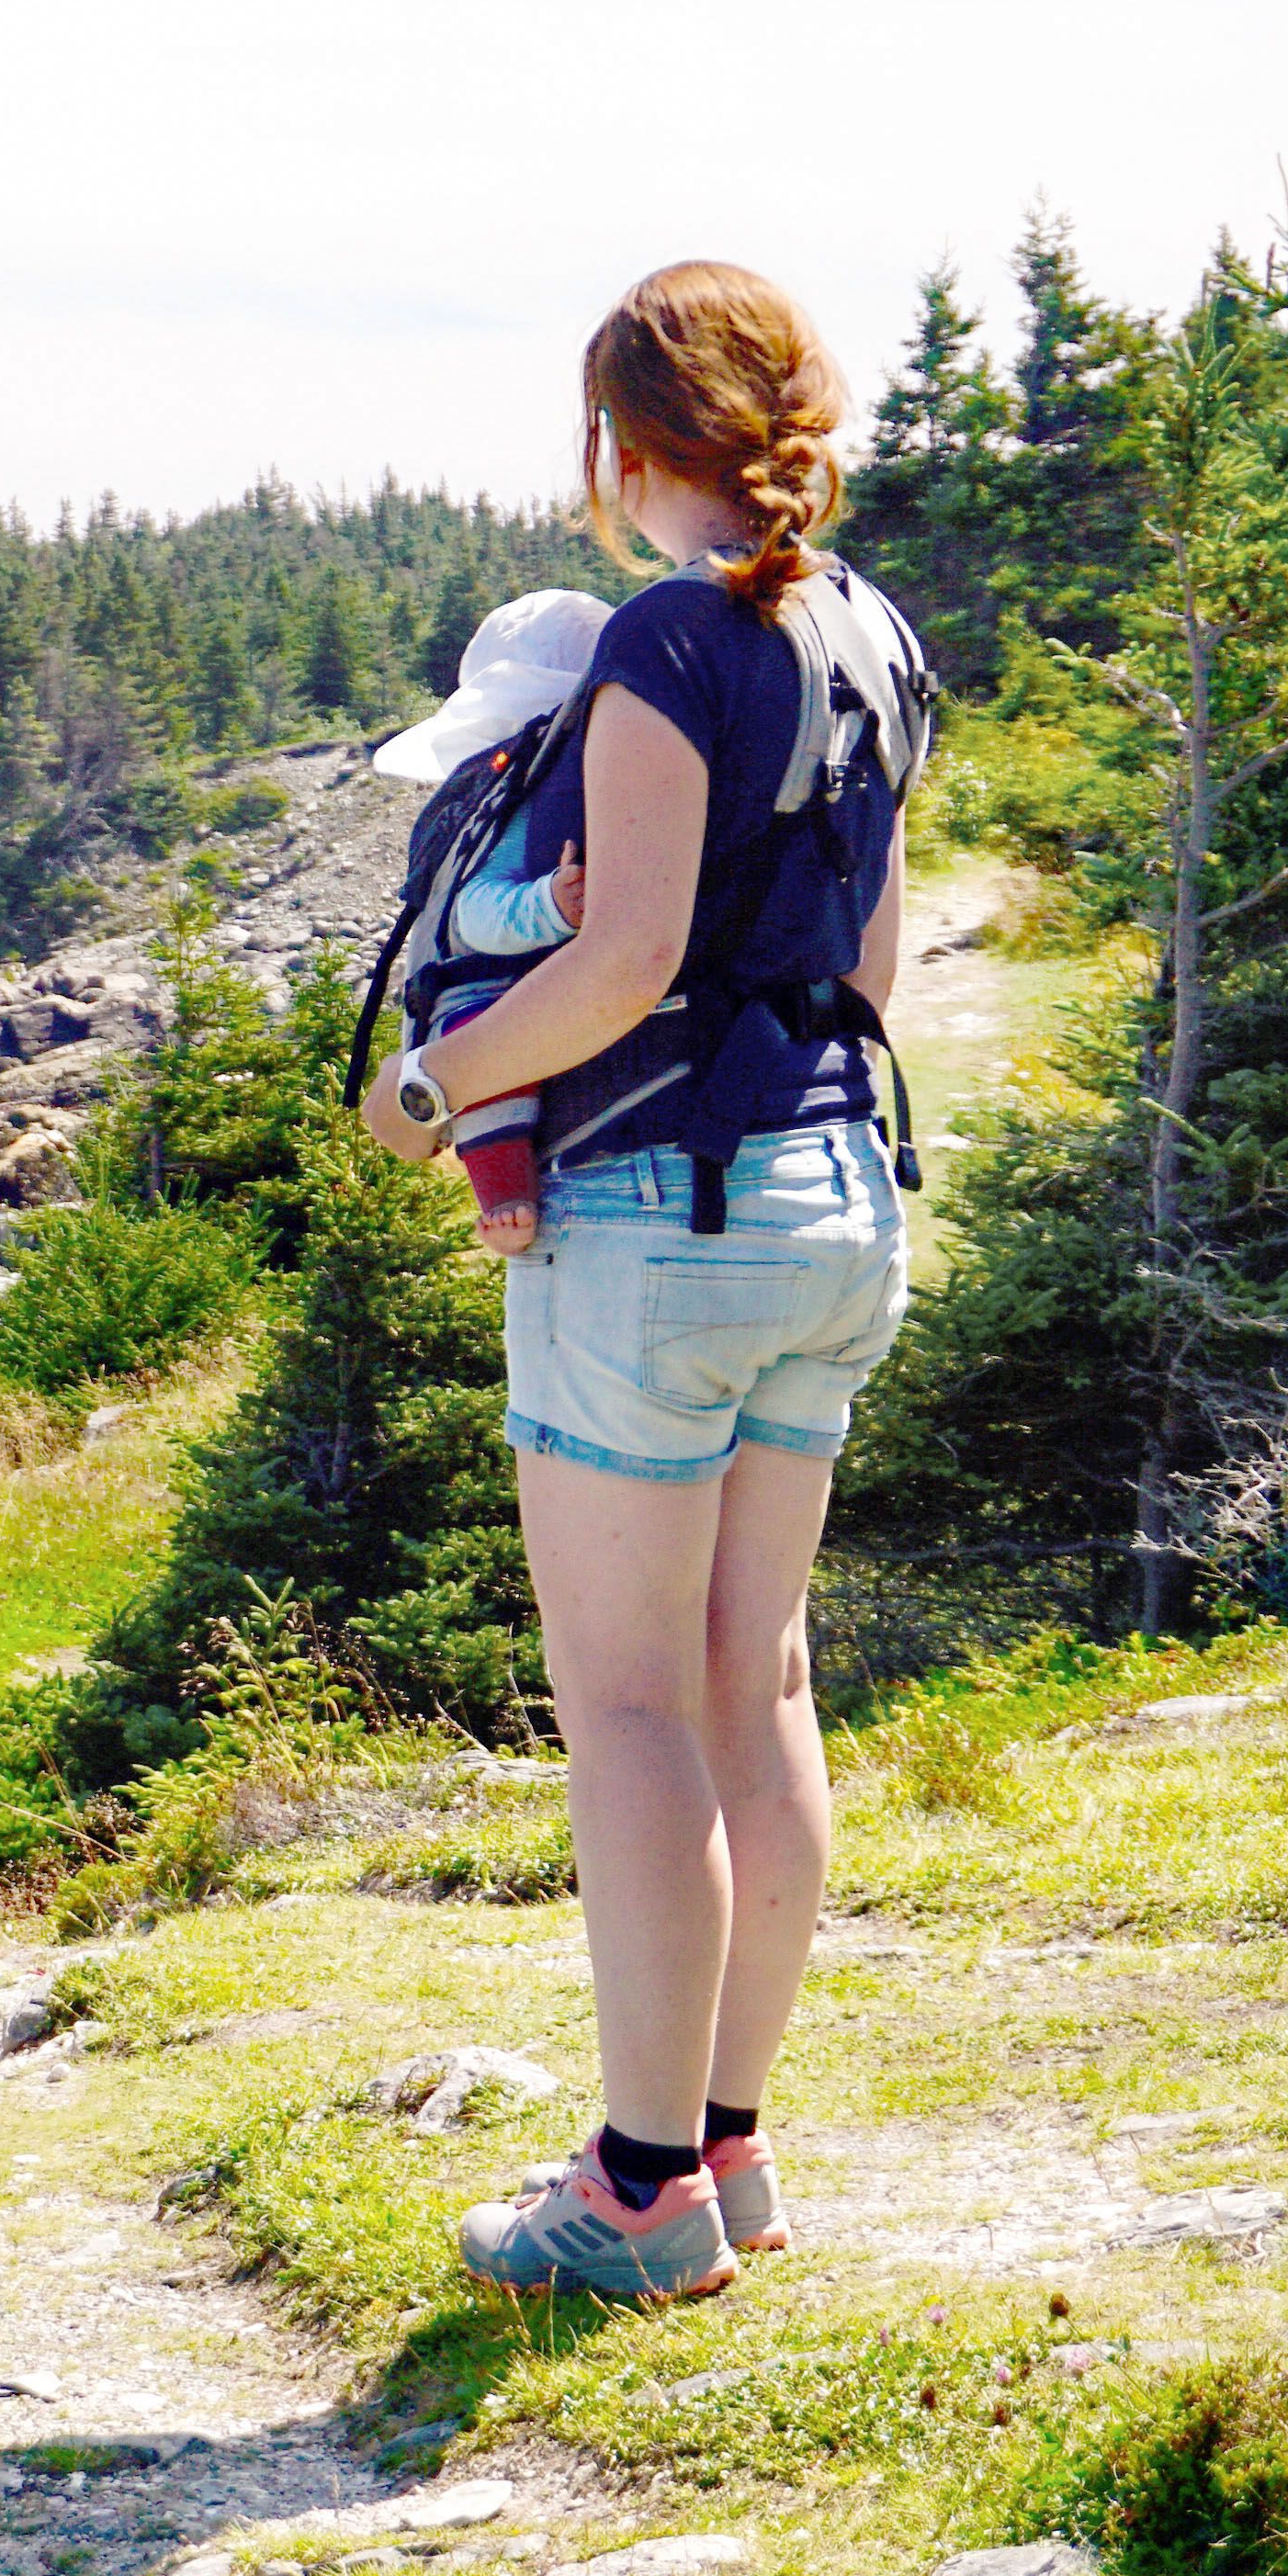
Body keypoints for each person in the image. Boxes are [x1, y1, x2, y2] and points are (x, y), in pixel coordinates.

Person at [357, 260, 930, 2304]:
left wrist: (430, 1084)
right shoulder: (872, 633)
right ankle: (734, 2150)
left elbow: (617, 965)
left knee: (625, 1704)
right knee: (755, 1676)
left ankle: (633, 2189)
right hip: (841, 1194)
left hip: (668, 1216)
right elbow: (867, 967)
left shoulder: (669, 641)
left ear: (618, 446)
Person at [365, 589, 612, 1255]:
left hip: (539, 988)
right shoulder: (527, 794)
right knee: (487, 1051)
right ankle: (504, 1195)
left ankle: (508, 1197)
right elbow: (475, 910)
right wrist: (549, 907)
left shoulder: (546, 779)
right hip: (488, 988)